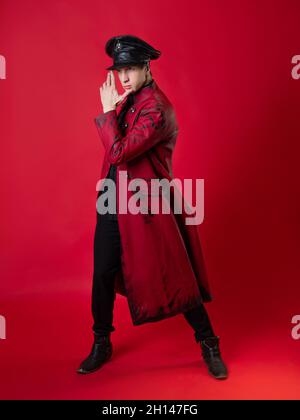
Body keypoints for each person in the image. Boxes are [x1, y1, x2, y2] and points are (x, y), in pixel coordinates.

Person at [77, 35, 228, 379]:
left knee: (175, 278)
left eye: (130, 69)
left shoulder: (157, 109)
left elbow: (119, 152)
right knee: (101, 274)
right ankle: (101, 342)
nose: (124, 77)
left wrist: (106, 112)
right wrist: (115, 109)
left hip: (146, 210)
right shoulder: (129, 101)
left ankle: (209, 342)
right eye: (119, 70)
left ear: (146, 67)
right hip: (112, 202)